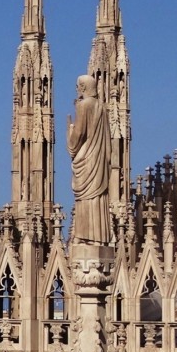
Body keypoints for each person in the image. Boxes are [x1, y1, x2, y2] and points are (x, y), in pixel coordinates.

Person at [67, 74, 112, 244]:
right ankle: (98, 237)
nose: (76, 90)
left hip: (86, 158)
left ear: (83, 88)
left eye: (78, 86)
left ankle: (83, 235)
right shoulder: (101, 107)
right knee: (97, 199)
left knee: (85, 200)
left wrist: (70, 133)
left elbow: (79, 133)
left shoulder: (84, 105)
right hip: (98, 159)